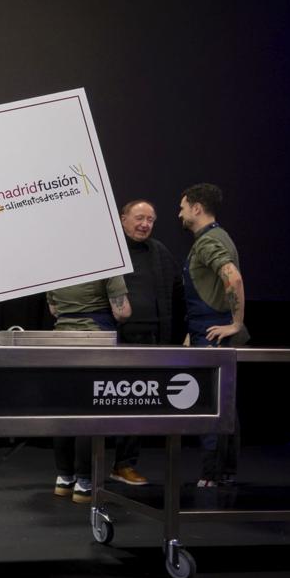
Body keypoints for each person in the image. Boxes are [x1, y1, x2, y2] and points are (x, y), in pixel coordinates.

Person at [110, 198, 186, 486]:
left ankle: (124, 464)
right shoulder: (109, 251)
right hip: (114, 339)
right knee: (102, 403)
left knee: (136, 403)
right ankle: (82, 472)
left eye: (150, 220)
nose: (145, 224)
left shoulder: (159, 252)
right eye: (139, 218)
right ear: (122, 218)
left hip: (151, 340)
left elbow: (179, 291)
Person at [179, 183, 248, 486]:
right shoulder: (217, 236)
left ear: (196, 208)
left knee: (212, 405)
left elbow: (232, 277)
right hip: (203, 329)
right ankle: (224, 472)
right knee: (225, 404)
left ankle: (212, 474)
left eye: (182, 207)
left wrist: (235, 323)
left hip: (213, 332)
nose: (178, 213)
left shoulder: (208, 242)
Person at [45, 276, 130, 503]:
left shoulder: (55, 264)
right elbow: (123, 312)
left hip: (60, 339)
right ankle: (84, 482)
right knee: (88, 411)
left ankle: (64, 478)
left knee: (64, 410)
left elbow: (54, 309)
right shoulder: (106, 260)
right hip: (95, 339)